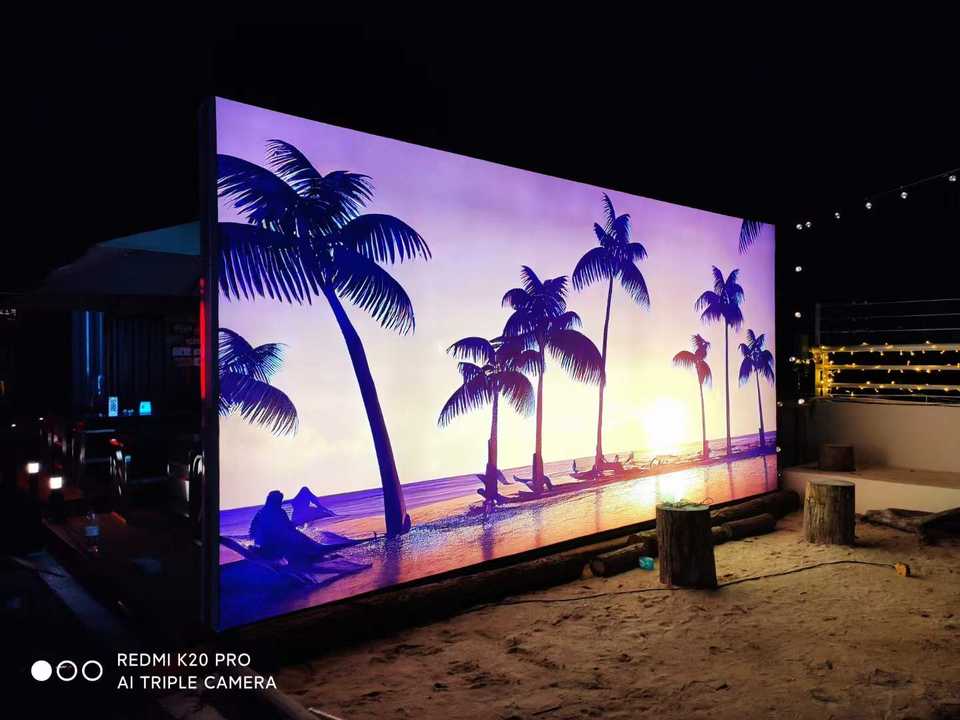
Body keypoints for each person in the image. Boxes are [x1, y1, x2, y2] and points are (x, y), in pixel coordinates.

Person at [249, 490, 328, 565]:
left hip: (264, 543)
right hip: (273, 545)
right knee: (296, 536)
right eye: (279, 500)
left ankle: (314, 549)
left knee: (295, 535)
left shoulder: (260, 512)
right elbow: (287, 528)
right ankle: (314, 550)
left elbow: (252, 532)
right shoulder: (278, 512)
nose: (280, 502)